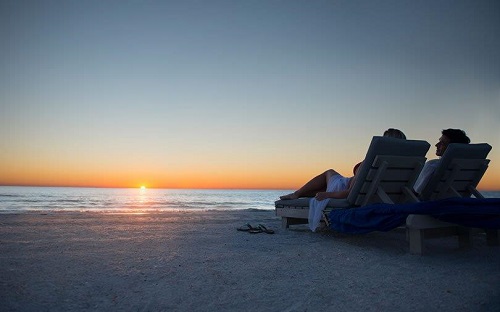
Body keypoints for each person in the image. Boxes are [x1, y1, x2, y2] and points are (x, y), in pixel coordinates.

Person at [279, 128, 406, 231]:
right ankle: (298, 194)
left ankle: (296, 194)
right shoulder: (404, 166)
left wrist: (327, 195)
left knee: (329, 172)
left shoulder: (371, 163)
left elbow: (350, 193)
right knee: (322, 187)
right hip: (377, 195)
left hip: (342, 187)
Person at [413, 129, 470, 194]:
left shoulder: (432, 165)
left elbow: (416, 191)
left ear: (452, 148)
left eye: (442, 143)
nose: (436, 145)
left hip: (431, 202)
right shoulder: (468, 169)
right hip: (454, 200)